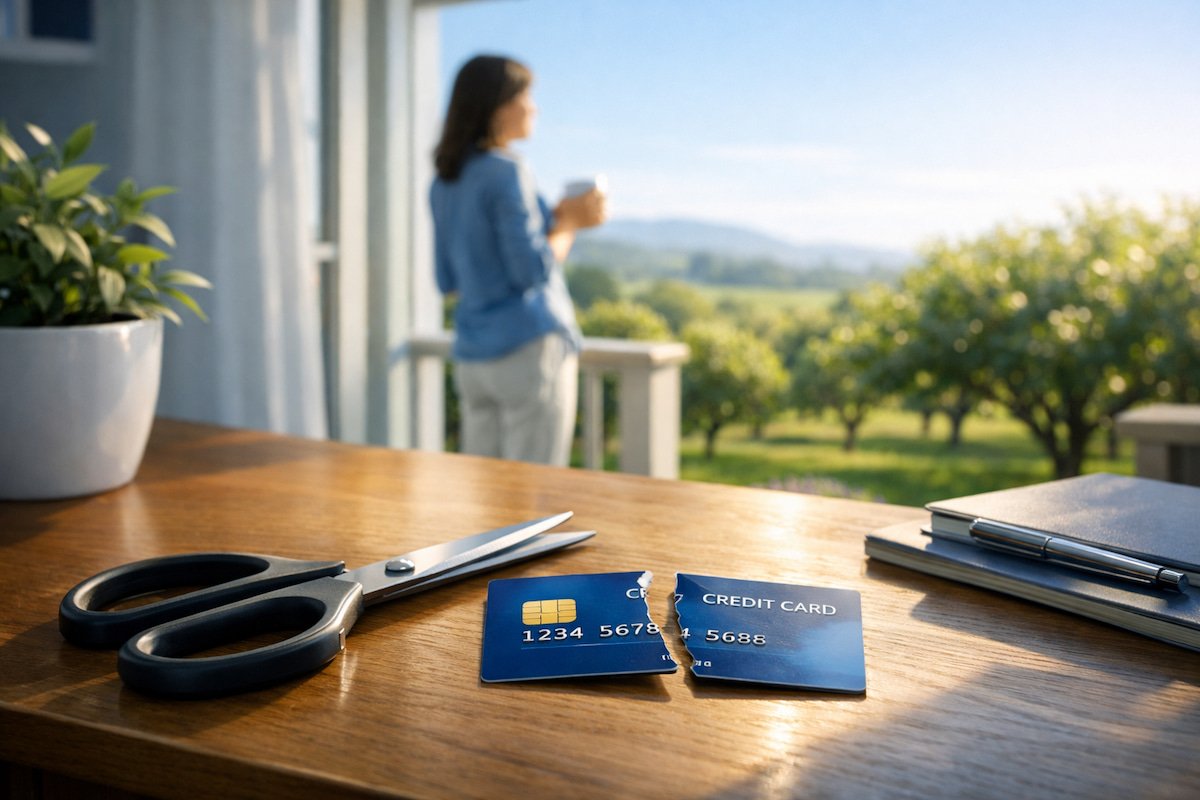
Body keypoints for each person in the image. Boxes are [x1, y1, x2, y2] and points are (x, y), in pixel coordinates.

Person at [430, 54, 606, 466]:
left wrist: (556, 219)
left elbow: (447, 280)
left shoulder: (444, 181)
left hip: (473, 358)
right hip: (527, 351)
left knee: (485, 495)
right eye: (527, 95)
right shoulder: (508, 171)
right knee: (533, 496)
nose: (534, 107)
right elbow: (531, 270)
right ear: (498, 105)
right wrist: (570, 225)